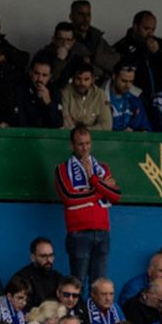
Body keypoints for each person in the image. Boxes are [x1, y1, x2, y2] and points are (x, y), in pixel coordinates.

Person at [53, 124, 119, 293]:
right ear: (72, 145)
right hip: (79, 233)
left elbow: (115, 196)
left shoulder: (102, 168)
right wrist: (99, 190)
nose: (85, 148)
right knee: (78, 283)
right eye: (80, 144)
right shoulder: (62, 169)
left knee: (99, 284)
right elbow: (70, 198)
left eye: (88, 143)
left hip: (103, 231)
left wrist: (93, 179)